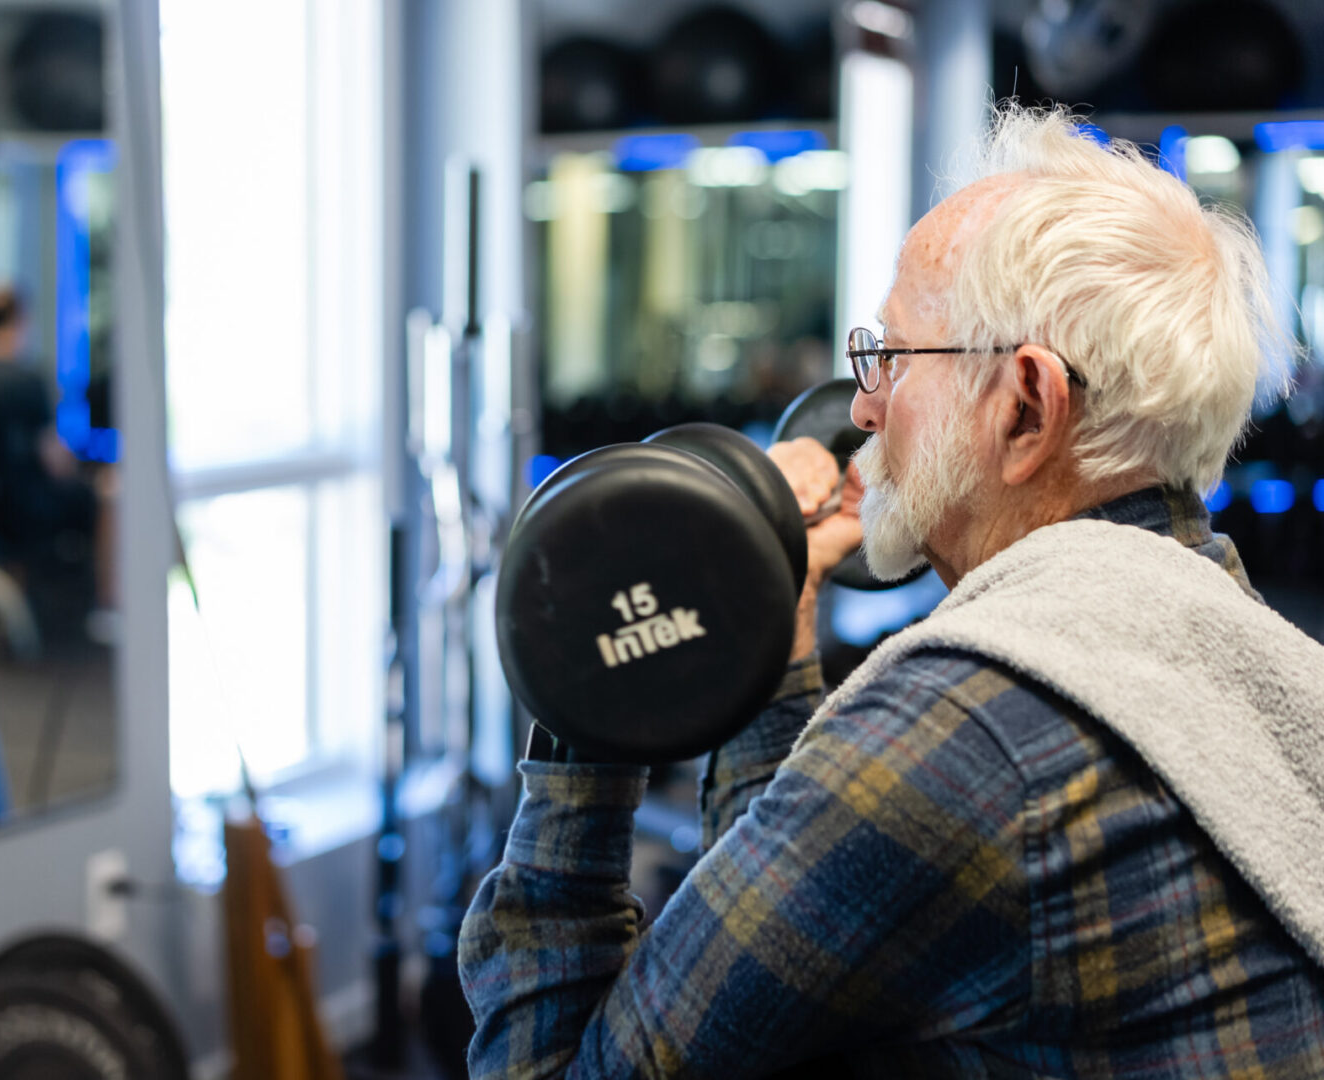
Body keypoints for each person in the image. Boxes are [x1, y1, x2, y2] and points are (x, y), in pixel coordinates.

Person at [459, 105, 1324, 1077]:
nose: (861, 405)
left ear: (1024, 407)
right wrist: (770, 614)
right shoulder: (1231, 636)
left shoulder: (966, 733)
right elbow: (795, 964)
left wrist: (588, 702)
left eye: (890, 358)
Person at [0, 288, 109, 640]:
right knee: (104, 496)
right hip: (29, 509)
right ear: (22, 321)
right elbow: (55, 460)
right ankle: (106, 609)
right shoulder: (26, 380)